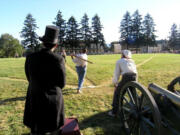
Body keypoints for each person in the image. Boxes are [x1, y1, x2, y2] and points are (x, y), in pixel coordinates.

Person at [23, 25, 66, 135]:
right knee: (54, 129)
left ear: (43, 43)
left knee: (36, 129)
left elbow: (29, 77)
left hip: (35, 97)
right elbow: (62, 83)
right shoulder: (59, 59)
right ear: (56, 45)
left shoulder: (30, 57)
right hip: (53, 100)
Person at [108, 50, 137, 117]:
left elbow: (116, 73)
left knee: (117, 93)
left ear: (123, 55)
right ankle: (135, 108)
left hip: (126, 77)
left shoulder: (119, 61)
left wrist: (115, 83)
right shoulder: (132, 61)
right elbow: (136, 72)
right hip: (134, 77)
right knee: (133, 95)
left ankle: (114, 112)